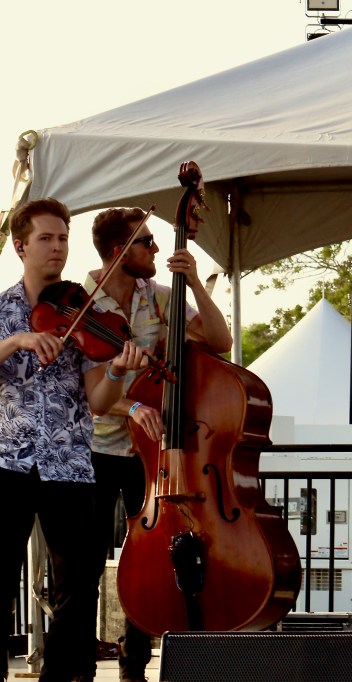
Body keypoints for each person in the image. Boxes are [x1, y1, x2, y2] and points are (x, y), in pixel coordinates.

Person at [0, 198, 146, 682]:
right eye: (45, 238)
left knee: (78, 590)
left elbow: (99, 402)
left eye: (63, 238)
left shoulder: (83, 311)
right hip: (9, 463)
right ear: (20, 246)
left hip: (69, 464)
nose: (57, 247)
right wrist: (16, 341)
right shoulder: (1, 310)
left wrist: (118, 372)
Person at [83, 207, 232, 682]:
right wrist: (130, 406)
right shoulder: (81, 304)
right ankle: (79, 663)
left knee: (152, 557)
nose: (156, 248)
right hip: (93, 449)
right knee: (85, 562)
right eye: (146, 242)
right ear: (119, 252)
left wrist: (195, 283)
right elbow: (82, 390)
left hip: (149, 452)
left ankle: (135, 665)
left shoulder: (159, 296)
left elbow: (221, 340)